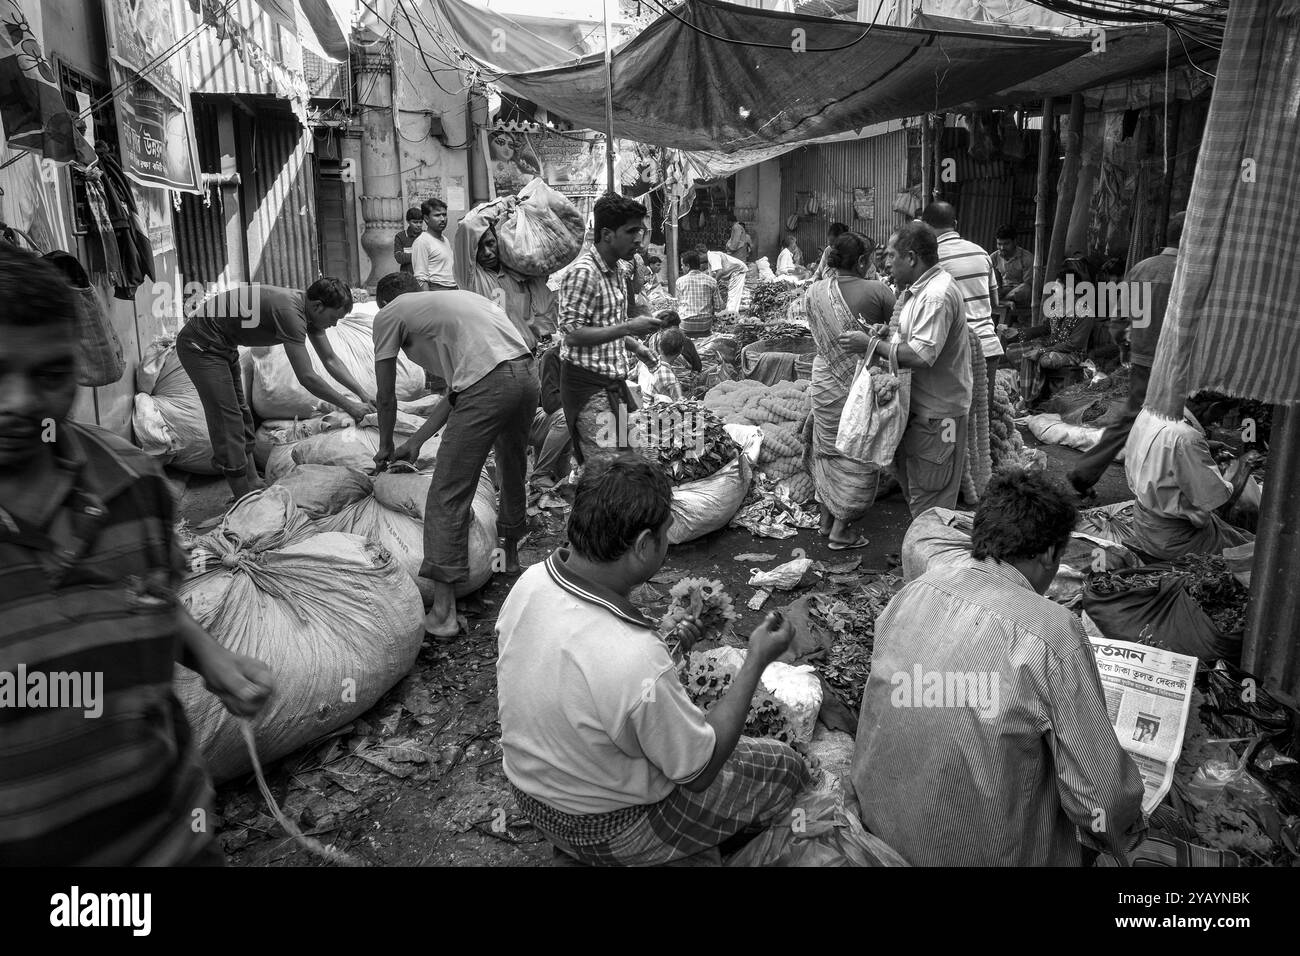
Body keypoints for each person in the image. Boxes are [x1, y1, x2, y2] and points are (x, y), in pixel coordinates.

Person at [0, 244, 274, 865]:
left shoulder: (130, 481)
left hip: (171, 841)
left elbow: (145, 596)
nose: (18, 402)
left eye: (47, 375)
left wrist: (212, 658)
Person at [496, 454, 809, 866]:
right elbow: (700, 773)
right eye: (665, 534)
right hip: (607, 826)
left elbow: (581, 677)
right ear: (644, 545)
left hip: (532, 797)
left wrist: (666, 652)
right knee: (785, 767)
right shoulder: (633, 653)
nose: (667, 542)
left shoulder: (530, 582)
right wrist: (756, 659)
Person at [851, 469, 1147, 866]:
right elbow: (1101, 801)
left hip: (876, 834)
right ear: (1048, 554)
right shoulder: (1053, 633)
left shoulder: (916, 590)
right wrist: (1128, 834)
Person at [371, 273, 539, 639]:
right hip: (526, 375)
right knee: (511, 467)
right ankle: (510, 560)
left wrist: (385, 445)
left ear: (386, 302)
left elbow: (385, 396)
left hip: (490, 384)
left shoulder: (388, 314)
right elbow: (456, 393)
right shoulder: (455, 303)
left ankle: (444, 613)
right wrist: (416, 440)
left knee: (447, 493)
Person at [177, 278, 375, 499]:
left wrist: (363, 394)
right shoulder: (290, 312)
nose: (335, 325)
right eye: (333, 318)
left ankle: (253, 481)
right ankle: (244, 500)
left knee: (242, 414)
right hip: (201, 347)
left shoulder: (310, 312)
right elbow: (307, 377)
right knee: (227, 421)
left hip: (223, 347)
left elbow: (330, 359)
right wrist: (350, 406)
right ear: (318, 306)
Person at [843, 222, 972, 517]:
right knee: (918, 485)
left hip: (940, 416)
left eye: (890, 255)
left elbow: (921, 355)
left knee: (933, 496)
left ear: (911, 258)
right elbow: (912, 340)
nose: (886, 262)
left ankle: (931, 555)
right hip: (918, 407)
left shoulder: (935, 295)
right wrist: (886, 334)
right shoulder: (917, 291)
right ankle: (919, 554)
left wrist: (869, 346)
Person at [1067, 213, 1185, 498]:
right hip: (1179, 361)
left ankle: (1091, 473)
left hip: (1144, 359)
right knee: (1175, 423)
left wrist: (1124, 347)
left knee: (1135, 418)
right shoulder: (1189, 273)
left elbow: (1118, 322)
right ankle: (1167, 488)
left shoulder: (1142, 269)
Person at [804, 232, 896, 549]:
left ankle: (825, 519)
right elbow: (895, 336)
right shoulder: (879, 291)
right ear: (861, 261)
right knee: (857, 448)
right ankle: (841, 531)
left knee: (827, 447)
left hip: (823, 378)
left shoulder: (814, 291)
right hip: (859, 383)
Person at [558, 193, 661, 470]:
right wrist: (629, 327)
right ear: (607, 234)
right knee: (607, 470)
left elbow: (607, 325)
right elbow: (573, 334)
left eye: (640, 230)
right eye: (631, 231)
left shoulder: (618, 269)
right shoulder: (584, 272)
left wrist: (637, 348)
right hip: (588, 388)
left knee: (638, 459)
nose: (639, 239)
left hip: (614, 385)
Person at [1123, 404, 1258, 561]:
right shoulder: (1187, 438)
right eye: (1223, 411)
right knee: (1258, 554)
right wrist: (1245, 466)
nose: (1219, 421)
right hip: (1177, 539)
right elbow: (1218, 503)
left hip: (1143, 521)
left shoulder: (1151, 409)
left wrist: (1204, 448)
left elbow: (1162, 451)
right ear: (1213, 407)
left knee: (1245, 537)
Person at [453, 209, 557, 351]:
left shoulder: (517, 272)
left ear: (498, 240)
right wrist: (505, 204)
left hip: (528, 355)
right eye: (479, 248)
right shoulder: (471, 277)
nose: (487, 253)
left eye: (490, 243)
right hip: (496, 360)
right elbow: (468, 227)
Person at [530, 343, 572, 491]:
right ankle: (540, 475)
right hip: (527, 418)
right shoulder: (553, 355)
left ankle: (552, 476)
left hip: (546, 419)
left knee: (564, 479)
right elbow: (550, 404)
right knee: (567, 417)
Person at [676, 250, 726, 338]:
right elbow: (719, 307)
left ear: (687, 266)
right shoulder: (712, 281)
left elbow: (679, 304)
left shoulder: (680, 281)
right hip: (705, 326)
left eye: (682, 265)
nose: (681, 268)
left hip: (686, 326)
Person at [411, 198, 456, 291]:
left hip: (452, 289)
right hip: (436, 290)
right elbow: (420, 278)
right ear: (426, 219)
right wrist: (429, 300)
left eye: (444, 215)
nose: (443, 219)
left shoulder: (445, 239)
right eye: (437, 215)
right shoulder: (422, 242)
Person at [636, 327, 686, 403]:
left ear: (659, 347)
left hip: (640, 405)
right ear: (681, 350)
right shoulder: (671, 378)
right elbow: (679, 404)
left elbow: (629, 377)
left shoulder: (643, 362)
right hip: (655, 412)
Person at [991, 224, 1034, 312]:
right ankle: (1002, 301)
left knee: (1026, 289)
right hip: (1001, 291)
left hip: (1017, 292)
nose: (1002, 248)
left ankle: (1000, 301)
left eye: (1006, 244)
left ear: (1015, 242)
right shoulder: (993, 257)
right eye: (999, 244)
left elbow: (1028, 285)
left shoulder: (1027, 258)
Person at [700, 245, 747, 314]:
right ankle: (730, 313)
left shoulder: (712, 256)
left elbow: (720, 272)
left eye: (699, 257)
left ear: (701, 253)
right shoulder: (711, 257)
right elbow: (715, 274)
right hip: (733, 271)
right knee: (731, 294)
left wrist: (713, 283)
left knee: (733, 294)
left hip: (738, 270)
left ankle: (731, 315)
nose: (699, 260)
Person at [393, 206, 424, 275]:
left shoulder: (426, 236)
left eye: (421, 222)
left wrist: (408, 256)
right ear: (408, 221)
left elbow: (432, 256)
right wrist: (421, 255)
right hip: (407, 277)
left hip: (425, 277)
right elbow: (399, 258)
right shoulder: (400, 236)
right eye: (415, 222)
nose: (418, 225)